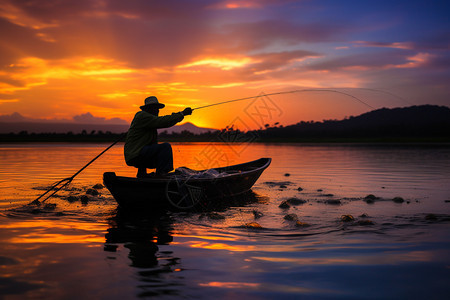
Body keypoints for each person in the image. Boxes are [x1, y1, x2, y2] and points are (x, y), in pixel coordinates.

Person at [124, 96, 192, 178]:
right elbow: (162, 121)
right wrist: (181, 114)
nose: (157, 110)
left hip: (136, 154)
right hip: (135, 155)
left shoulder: (148, 120)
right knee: (165, 147)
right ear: (148, 108)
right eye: (155, 108)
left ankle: (142, 174)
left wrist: (177, 116)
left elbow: (164, 121)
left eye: (158, 108)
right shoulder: (142, 116)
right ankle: (161, 174)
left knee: (150, 148)